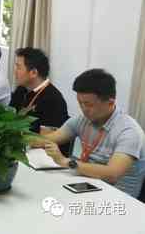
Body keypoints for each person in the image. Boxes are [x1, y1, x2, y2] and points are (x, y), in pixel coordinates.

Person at [39, 69, 145, 198]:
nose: (83, 109)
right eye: (80, 103)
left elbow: (112, 174)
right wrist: (20, 137)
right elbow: (48, 139)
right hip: (88, 187)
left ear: (110, 103)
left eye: (88, 104)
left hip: (117, 199)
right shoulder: (83, 119)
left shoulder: (129, 132)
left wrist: (65, 161)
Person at [11, 47, 69, 134]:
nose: (15, 72)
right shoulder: (21, 90)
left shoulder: (53, 100)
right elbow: (9, 118)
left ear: (34, 73)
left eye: (18, 67)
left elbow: (48, 138)